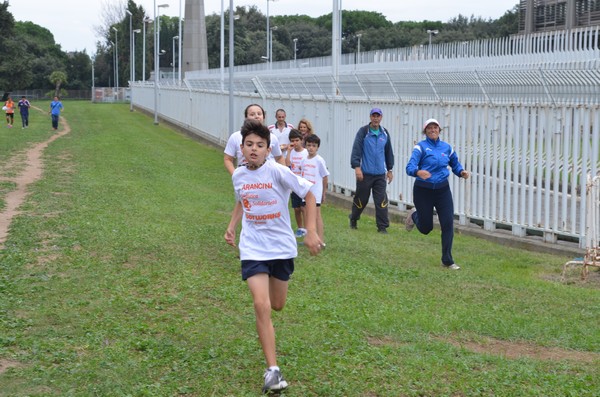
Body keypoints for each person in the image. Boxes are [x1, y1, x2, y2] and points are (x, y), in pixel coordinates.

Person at [224, 118, 321, 394]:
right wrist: (232, 226)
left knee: (277, 305)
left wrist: (311, 231)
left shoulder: (278, 172)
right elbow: (242, 202)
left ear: (269, 149)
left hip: (280, 247)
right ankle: (272, 370)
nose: (254, 149)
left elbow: (310, 193)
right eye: (249, 144)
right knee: (261, 305)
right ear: (241, 148)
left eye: (260, 145)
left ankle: (272, 366)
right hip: (253, 248)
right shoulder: (238, 176)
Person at [405, 118, 470, 270]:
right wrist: (417, 172)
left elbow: (455, 163)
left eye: (435, 128)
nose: (433, 130)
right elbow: (409, 167)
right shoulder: (420, 147)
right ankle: (414, 215)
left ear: (439, 130)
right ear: (425, 131)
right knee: (426, 228)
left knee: (448, 224)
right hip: (423, 191)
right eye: (429, 128)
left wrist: (461, 172)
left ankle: (447, 260)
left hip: (442, 190)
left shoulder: (447, 148)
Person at [349, 107, 394, 233]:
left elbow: (388, 152)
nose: (375, 118)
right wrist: (357, 168)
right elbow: (356, 150)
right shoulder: (363, 132)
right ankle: (353, 218)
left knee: (381, 201)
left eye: (378, 116)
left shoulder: (384, 133)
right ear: (370, 117)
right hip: (365, 174)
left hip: (380, 174)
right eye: (373, 116)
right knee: (361, 199)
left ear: (381, 117)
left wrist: (390, 170)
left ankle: (382, 227)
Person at [224, 103, 285, 175]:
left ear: (263, 117)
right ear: (246, 118)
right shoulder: (236, 136)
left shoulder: (272, 137)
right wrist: (235, 175)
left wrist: (283, 176)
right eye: (252, 114)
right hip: (245, 180)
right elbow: (228, 159)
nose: (256, 116)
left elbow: (279, 158)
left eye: (259, 114)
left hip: (267, 180)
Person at [300, 134, 329, 245]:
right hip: (306, 193)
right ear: (305, 146)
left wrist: (323, 193)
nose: (311, 148)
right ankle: (310, 238)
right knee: (307, 215)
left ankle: (320, 241)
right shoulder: (303, 160)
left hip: (315, 193)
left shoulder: (319, 160)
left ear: (317, 147)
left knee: (316, 215)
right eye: (309, 145)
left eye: (314, 145)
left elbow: (325, 177)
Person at [285, 129, 308, 237]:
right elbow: (287, 165)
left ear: (301, 140)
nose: (295, 143)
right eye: (292, 141)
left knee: (304, 207)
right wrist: (289, 152)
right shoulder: (291, 152)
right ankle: (300, 228)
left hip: (303, 183)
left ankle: (308, 228)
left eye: (297, 140)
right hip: (294, 184)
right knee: (296, 208)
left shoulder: (306, 152)